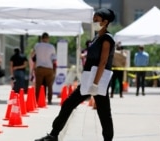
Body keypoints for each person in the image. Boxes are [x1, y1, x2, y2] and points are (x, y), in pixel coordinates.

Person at [35, 8, 115, 141]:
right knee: (68, 104)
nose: (94, 22)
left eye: (97, 20)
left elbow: (103, 62)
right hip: (89, 78)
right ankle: (54, 135)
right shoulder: (96, 37)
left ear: (105, 22)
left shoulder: (107, 39)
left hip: (98, 80)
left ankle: (108, 139)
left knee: (104, 112)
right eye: (93, 19)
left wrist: (95, 83)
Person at [33, 32, 57, 105]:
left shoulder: (37, 46)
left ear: (41, 38)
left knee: (38, 85)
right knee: (49, 85)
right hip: (49, 68)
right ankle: (49, 100)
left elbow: (33, 55)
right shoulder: (51, 47)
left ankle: (36, 100)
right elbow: (54, 59)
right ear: (48, 38)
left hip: (39, 67)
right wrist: (54, 70)